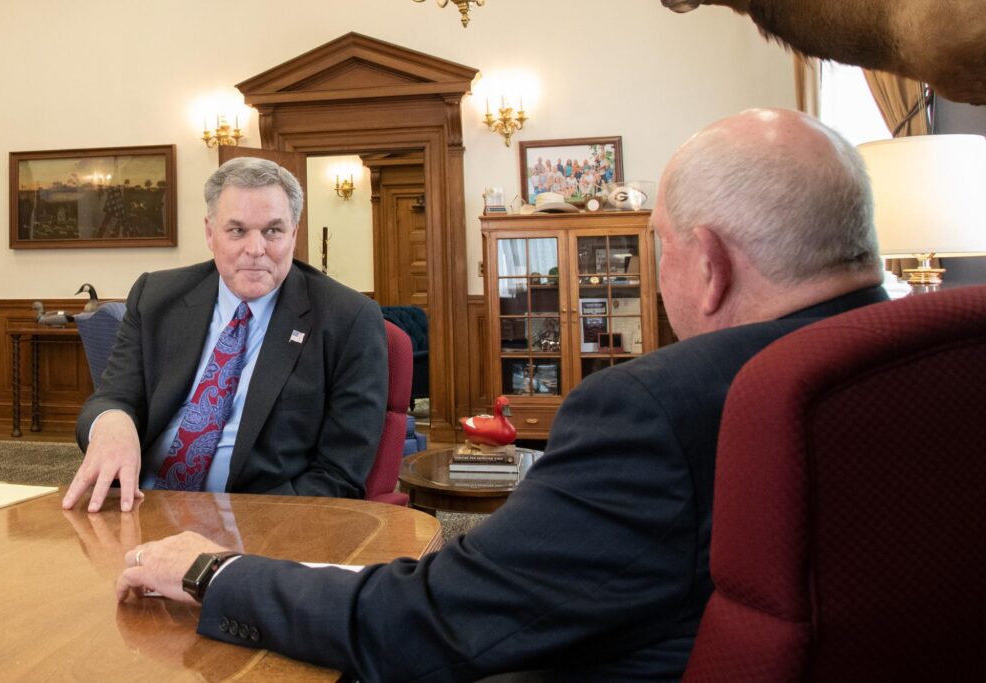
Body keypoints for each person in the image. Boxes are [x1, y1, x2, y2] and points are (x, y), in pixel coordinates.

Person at [114, 109, 887, 680]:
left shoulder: (651, 407)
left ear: (709, 264)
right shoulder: (921, 359)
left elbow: (438, 619)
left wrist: (211, 573)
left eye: (656, 242)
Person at [64, 157, 387, 513]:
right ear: (209, 233)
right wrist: (112, 422)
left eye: (273, 231)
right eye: (237, 231)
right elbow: (112, 397)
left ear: (294, 233)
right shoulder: (156, 296)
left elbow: (338, 475)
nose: (255, 249)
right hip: (141, 505)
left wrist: (240, 535)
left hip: (257, 524)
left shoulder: (347, 319)